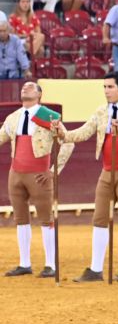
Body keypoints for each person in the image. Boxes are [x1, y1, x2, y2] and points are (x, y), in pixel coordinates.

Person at [56, 72, 118, 283]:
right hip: (107, 170)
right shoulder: (101, 111)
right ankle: (96, 269)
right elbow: (83, 133)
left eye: (110, 87)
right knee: (100, 218)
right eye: (104, 87)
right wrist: (62, 133)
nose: (106, 91)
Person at [1, 81, 72, 278]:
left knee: (46, 219)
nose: (25, 88)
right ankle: (25, 263)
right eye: (24, 87)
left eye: (31, 86)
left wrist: (53, 171)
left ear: (39, 94)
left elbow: (67, 143)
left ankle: (50, 264)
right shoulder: (13, 117)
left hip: (39, 175)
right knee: (20, 219)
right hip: (15, 174)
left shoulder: (48, 117)